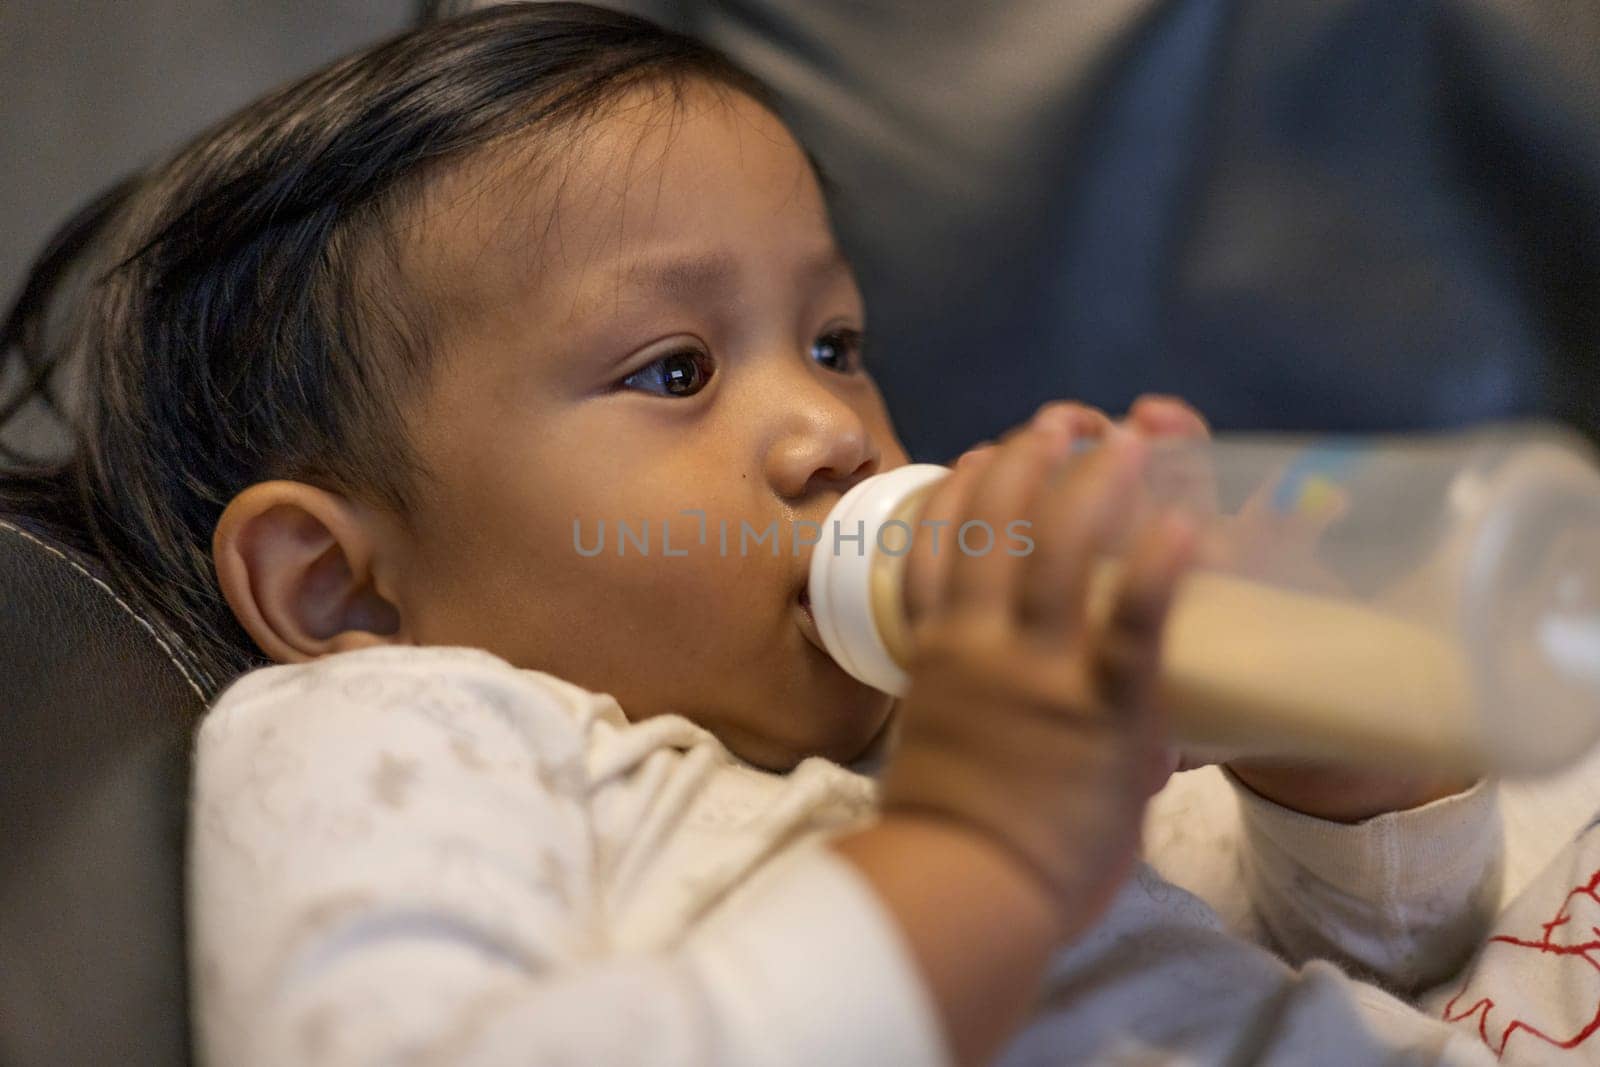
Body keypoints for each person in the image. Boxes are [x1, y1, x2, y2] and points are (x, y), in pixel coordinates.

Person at [0, 5, 1507, 1064]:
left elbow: (1398, 951)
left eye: (838, 341)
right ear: (344, 590)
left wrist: (1323, 741)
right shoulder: (407, 732)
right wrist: (983, 843)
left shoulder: (929, 722)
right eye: (675, 371)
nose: (829, 433)